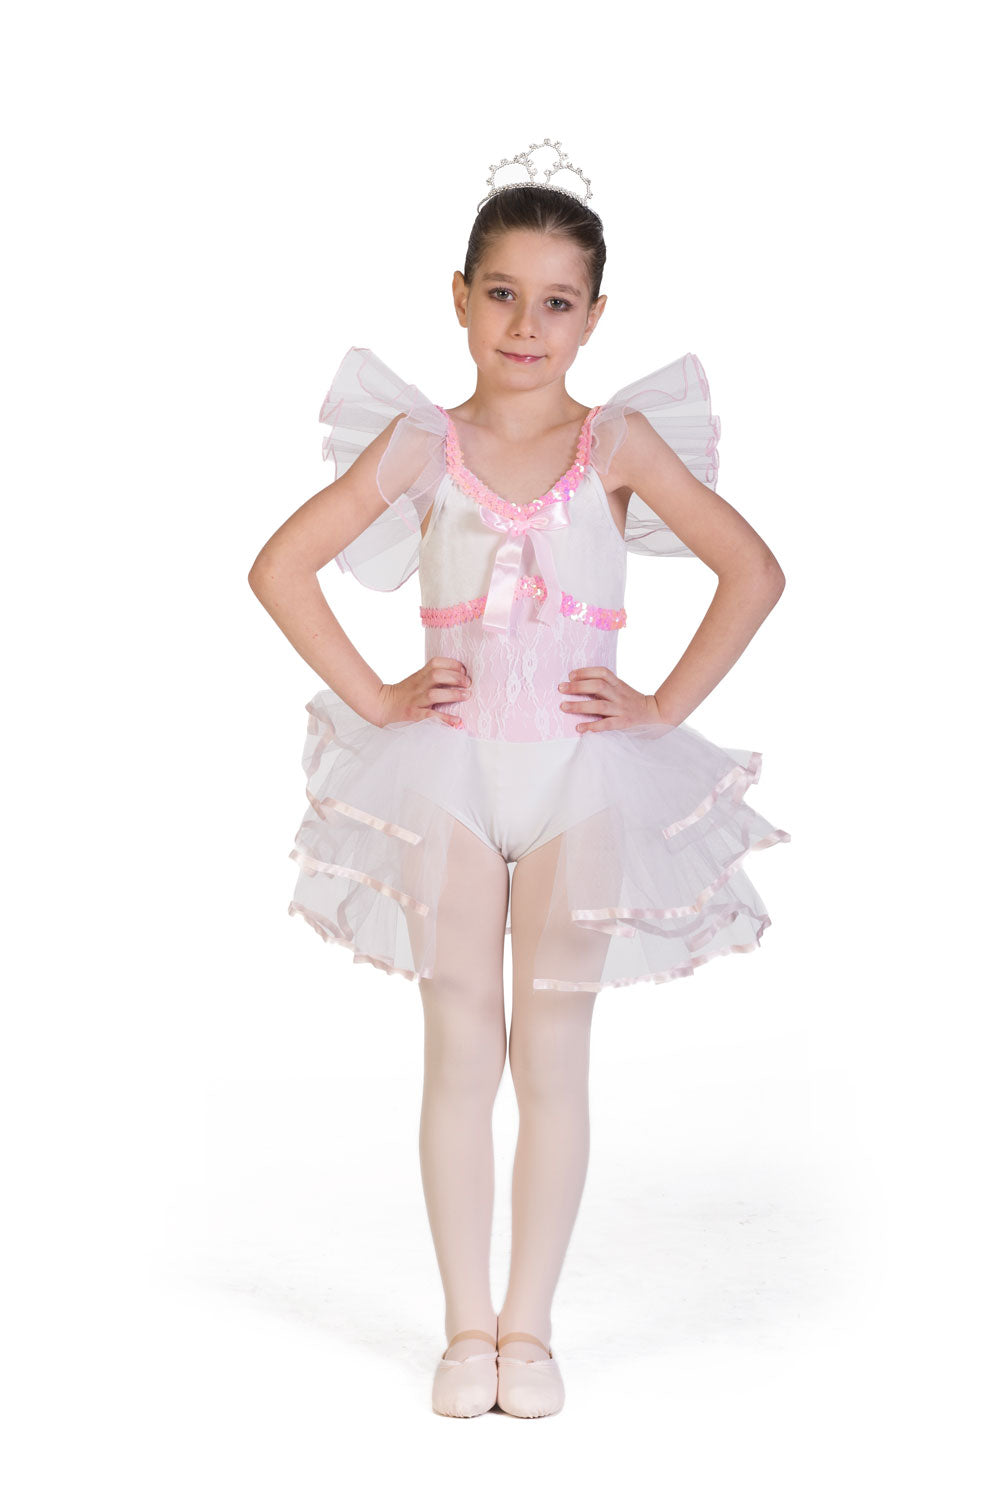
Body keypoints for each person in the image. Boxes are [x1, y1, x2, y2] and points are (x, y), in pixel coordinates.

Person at [247, 139, 791, 1420]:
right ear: (458, 297)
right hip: (446, 776)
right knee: (458, 1047)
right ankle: (463, 1330)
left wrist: (659, 704)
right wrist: (378, 694)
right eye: (501, 294)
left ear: (593, 316)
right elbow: (278, 567)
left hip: (579, 785)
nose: (525, 325)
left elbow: (753, 571)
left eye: (555, 301)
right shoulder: (418, 444)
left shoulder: (618, 445)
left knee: (551, 1050)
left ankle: (528, 1331)